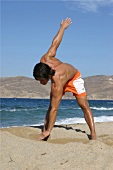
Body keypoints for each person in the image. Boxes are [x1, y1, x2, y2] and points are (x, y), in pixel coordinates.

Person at [33, 18, 96, 140]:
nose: (41, 83)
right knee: (51, 104)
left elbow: (56, 109)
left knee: (83, 105)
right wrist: (62, 28)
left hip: (74, 78)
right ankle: (46, 129)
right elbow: (55, 43)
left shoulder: (57, 82)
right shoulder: (45, 58)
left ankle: (93, 133)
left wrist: (47, 132)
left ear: (47, 76)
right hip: (61, 78)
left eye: (41, 80)